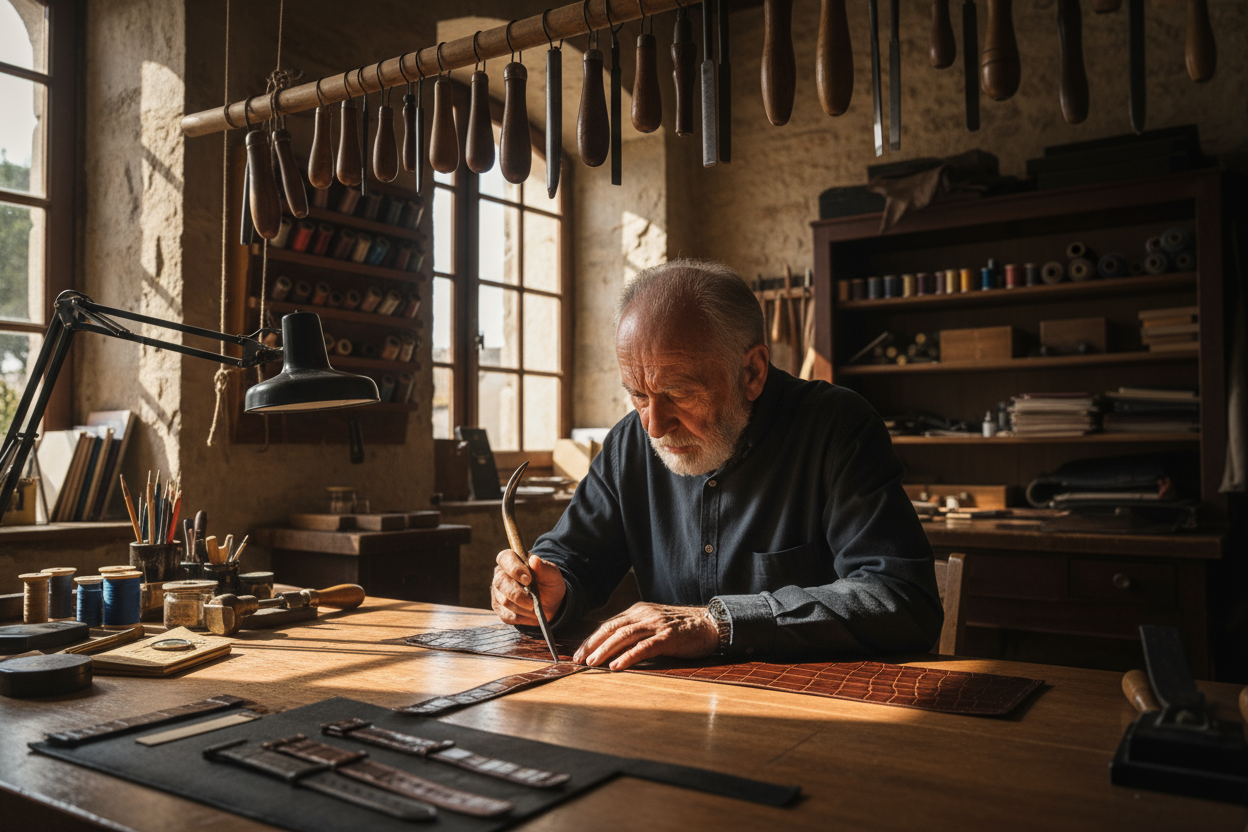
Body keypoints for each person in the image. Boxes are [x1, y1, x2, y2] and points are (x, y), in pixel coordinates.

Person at [491, 258, 942, 670]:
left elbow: (901, 599)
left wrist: (718, 623)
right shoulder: (629, 442)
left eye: (679, 393)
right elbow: (572, 557)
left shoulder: (836, 427)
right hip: (666, 712)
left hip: (814, 711)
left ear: (752, 372)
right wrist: (547, 590)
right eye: (638, 394)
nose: (654, 426)